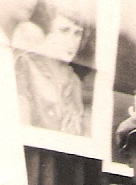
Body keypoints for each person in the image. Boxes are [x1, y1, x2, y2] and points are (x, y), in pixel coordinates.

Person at [14, 0, 91, 135]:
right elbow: (20, 126)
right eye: (64, 30)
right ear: (46, 31)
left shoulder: (74, 81)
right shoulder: (25, 65)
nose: (72, 41)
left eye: (77, 33)